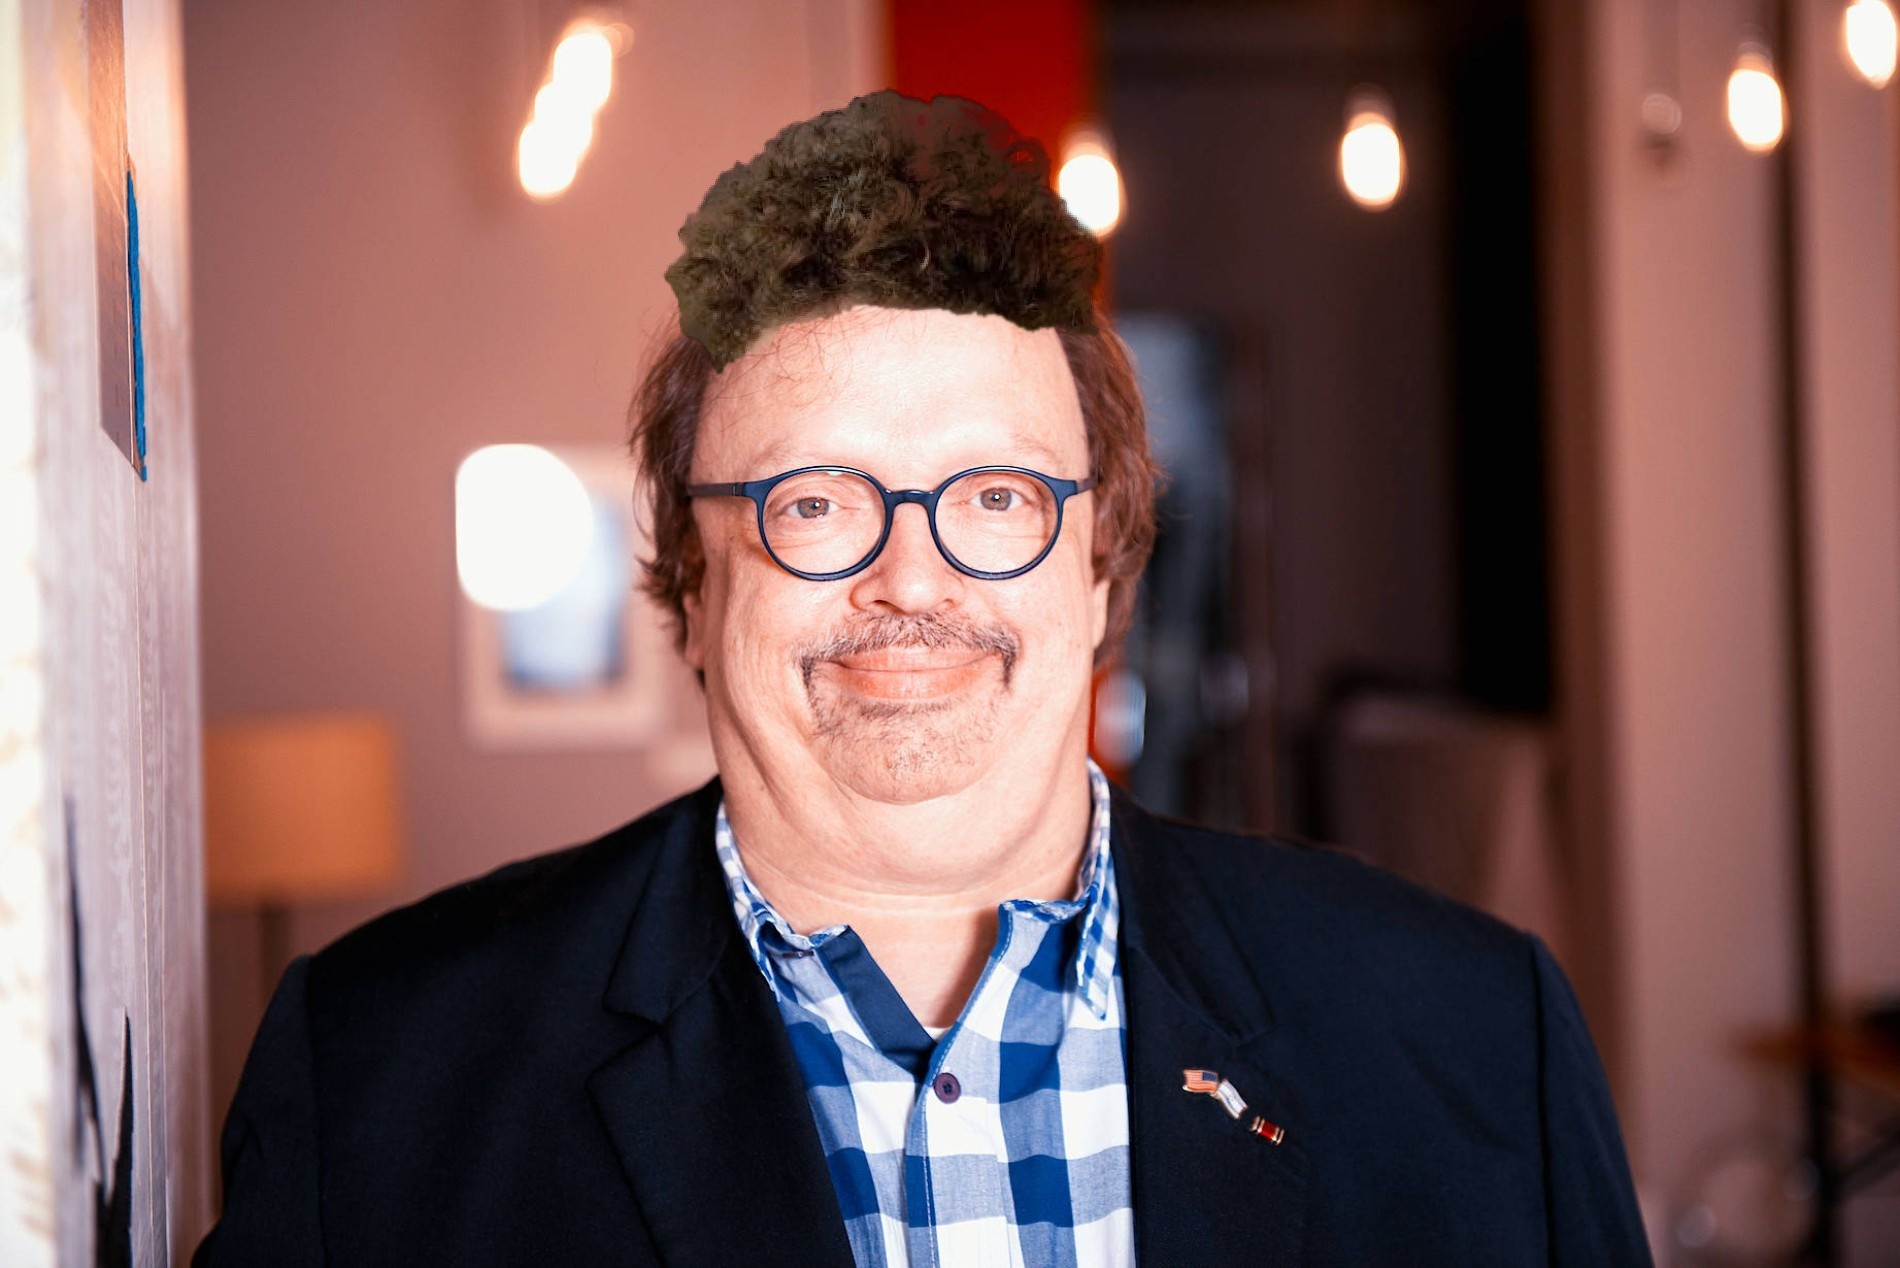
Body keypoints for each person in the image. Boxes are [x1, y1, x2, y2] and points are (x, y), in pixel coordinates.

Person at [197, 91, 1651, 1267]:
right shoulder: (381, 1074)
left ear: (1101, 571)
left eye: (997, 496)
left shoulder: (1476, 1034)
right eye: (815, 501)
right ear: (693, 586)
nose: (910, 578)